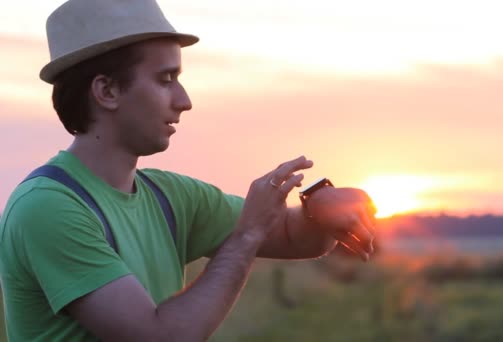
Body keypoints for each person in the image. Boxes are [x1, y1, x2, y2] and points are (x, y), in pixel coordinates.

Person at [0, 0, 377, 341]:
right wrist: (244, 238)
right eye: (166, 80)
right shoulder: (49, 209)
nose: (184, 101)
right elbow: (160, 337)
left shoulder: (170, 197)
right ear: (107, 92)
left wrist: (324, 205)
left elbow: (298, 238)